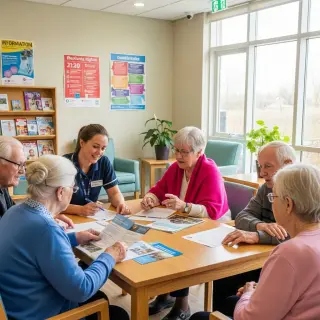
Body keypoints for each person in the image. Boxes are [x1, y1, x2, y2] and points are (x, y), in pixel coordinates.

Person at [0, 155, 129, 320]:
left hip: (17, 306)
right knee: (119, 315)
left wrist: (74, 237)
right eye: (73, 189)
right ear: (60, 192)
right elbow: (82, 289)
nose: (73, 192)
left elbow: (35, 249)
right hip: (43, 313)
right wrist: (110, 255)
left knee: (99, 297)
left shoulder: (15, 211)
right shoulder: (46, 228)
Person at [190, 163, 320, 320]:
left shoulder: (289, 253)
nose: (271, 202)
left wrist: (249, 293)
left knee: (199, 317)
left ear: (288, 204)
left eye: (274, 197)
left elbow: (248, 318)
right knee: (230, 301)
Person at [141, 126, 229, 320]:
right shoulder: (176, 168)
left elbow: (212, 211)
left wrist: (185, 206)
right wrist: (150, 197)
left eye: (184, 152)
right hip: (182, 221)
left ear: (199, 152)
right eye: (176, 150)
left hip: (211, 225)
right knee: (156, 239)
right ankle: (165, 295)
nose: (178, 156)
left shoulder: (210, 171)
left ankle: (182, 305)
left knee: (180, 248)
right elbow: (159, 188)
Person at [0, 136, 73, 228]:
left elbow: (15, 219)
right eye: (19, 164)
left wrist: (44, 218)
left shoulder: (3, 187)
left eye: (24, 165)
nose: (22, 171)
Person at [63, 124, 131, 217]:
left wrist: (121, 204)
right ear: (82, 143)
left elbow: (114, 193)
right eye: (95, 146)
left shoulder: (104, 162)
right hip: (68, 217)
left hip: (92, 217)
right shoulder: (64, 164)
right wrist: (79, 210)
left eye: (103, 148)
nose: (99, 152)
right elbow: (52, 203)